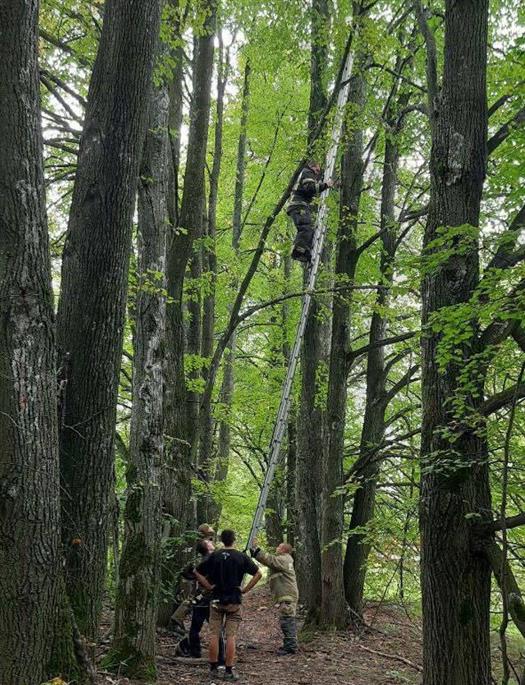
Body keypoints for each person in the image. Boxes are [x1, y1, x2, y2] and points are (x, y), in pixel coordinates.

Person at [195, 529, 262, 682]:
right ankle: (229, 670)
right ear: (234, 539)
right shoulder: (241, 557)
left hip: (216, 600)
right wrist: (245, 589)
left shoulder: (215, 556)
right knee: (231, 636)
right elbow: (258, 574)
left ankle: (213, 669)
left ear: (221, 540)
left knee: (214, 634)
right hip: (234, 600)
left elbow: (197, 571)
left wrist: (208, 586)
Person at [175, 539, 225, 663]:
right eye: (209, 542)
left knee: (195, 628)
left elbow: (186, 573)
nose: (212, 543)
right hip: (210, 598)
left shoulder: (201, 561)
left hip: (201, 599)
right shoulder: (214, 559)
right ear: (207, 547)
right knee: (216, 628)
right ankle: (221, 656)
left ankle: (195, 652)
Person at [250, 539, 299, 655]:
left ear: (283, 550)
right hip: (286, 596)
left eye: (279, 547)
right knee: (286, 619)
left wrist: (257, 550)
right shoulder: (284, 560)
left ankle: (291, 647)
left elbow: (270, 560)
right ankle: (289, 645)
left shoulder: (284, 559)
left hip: (287, 597)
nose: (277, 548)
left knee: (287, 620)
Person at [286, 160, 335, 263]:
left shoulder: (305, 174)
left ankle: (304, 252)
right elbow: (310, 188)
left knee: (308, 229)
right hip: (299, 205)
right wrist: (325, 185)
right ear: (312, 166)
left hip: (297, 206)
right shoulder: (307, 172)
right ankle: (298, 251)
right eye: (317, 169)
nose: (317, 172)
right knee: (306, 227)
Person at [170, 523, 216, 633]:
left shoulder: (205, 541)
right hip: (202, 576)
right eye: (208, 529)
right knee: (197, 598)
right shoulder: (203, 543)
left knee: (198, 599)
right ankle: (175, 621)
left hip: (202, 576)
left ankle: (177, 621)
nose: (211, 530)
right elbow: (205, 559)